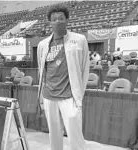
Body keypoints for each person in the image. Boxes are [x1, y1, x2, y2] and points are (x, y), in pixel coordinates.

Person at [37, 4, 90, 150]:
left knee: (75, 135)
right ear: (49, 22)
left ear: (67, 19)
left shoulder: (79, 40)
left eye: (61, 18)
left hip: (69, 96)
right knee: (54, 134)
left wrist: (79, 94)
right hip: (49, 96)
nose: (58, 21)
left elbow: (85, 68)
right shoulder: (42, 45)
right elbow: (41, 70)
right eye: (54, 19)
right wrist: (41, 95)